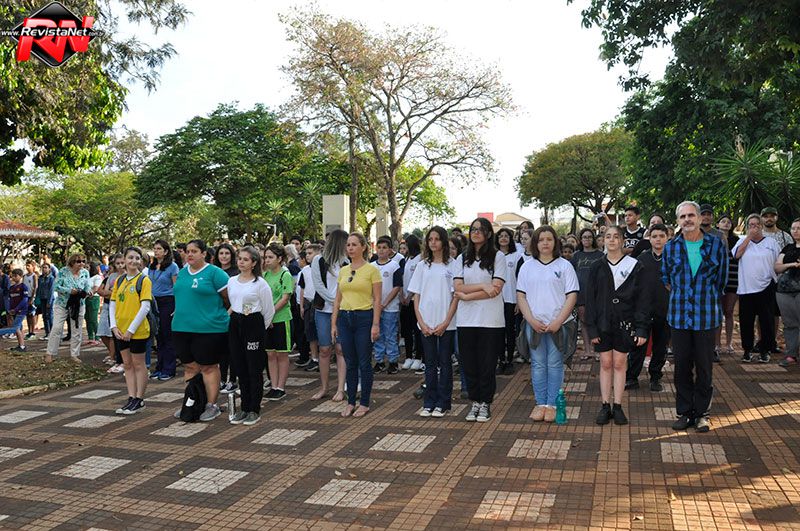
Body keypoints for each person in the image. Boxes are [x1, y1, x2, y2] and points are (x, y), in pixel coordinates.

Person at [663, 201, 728, 433]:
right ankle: (684, 412)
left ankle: (702, 414)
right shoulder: (670, 247)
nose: (687, 220)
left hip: (706, 316)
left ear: (700, 218)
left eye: (691, 215)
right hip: (679, 317)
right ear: (678, 221)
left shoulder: (716, 245)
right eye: (683, 217)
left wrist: (703, 297)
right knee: (681, 367)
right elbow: (666, 279)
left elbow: (721, 280)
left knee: (704, 367)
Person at [586, 225, 648, 425]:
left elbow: (642, 300)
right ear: (603, 240)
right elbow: (590, 299)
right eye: (608, 236)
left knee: (620, 363)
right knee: (605, 363)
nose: (612, 240)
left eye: (616, 237)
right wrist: (592, 328)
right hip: (603, 323)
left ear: (622, 241)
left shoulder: (635, 265)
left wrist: (641, 328)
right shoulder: (596, 266)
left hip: (625, 323)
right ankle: (605, 405)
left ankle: (618, 405)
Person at [517, 226, 578, 423]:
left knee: (554, 363)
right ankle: (540, 403)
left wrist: (558, 321)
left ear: (555, 242)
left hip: (558, 325)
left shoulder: (565, 266)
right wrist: (531, 320)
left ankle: (552, 404)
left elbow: (572, 295)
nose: (545, 243)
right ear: (535, 243)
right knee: (537, 364)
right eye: (541, 239)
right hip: (534, 325)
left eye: (549, 239)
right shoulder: (527, 267)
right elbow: (521, 296)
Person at [454, 217, 507, 423]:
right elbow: (458, 287)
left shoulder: (498, 257)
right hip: (466, 319)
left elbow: (496, 289)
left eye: (480, 229)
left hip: (490, 319)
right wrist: (483, 286)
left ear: (488, 233)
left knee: (487, 363)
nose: (475, 232)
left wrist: (468, 297)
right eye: (473, 229)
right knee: (469, 362)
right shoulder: (462, 258)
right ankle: (474, 401)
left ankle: (485, 402)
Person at [171, 239, 230, 422]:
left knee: (208, 366)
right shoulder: (182, 273)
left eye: (194, 251)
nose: (189, 254)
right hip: (182, 327)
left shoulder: (215, 273)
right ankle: (192, 402)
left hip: (209, 329)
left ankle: (211, 405)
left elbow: (229, 298)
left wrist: (218, 315)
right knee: (190, 366)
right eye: (188, 251)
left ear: (204, 254)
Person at [408, 226, 459, 417]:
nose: (433, 243)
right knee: (429, 364)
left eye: (437, 239)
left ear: (444, 241)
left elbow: (456, 297)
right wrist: (421, 322)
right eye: (430, 239)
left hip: (447, 323)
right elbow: (416, 296)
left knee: (445, 363)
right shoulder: (423, 265)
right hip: (426, 323)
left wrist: (446, 322)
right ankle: (429, 401)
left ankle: (443, 403)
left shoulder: (453, 265)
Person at [332, 232, 382, 417]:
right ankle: (351, 401)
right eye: (348, 245)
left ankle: (365, 402)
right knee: (350, 361)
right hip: (345, 318)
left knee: (364, 362)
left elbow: (377, 299)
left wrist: (375, 324)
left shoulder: (371, 270)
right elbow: (337, 300)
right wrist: (333, 323)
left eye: (354, 244)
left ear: (363, 247)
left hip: (364, 317)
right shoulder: (343, 271)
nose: (350, 248)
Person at [227, 246, 275, 425]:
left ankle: (254, 408)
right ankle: (244, 407)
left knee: (253, 367)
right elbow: (233, 302)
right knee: (240, 366)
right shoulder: (232, 281)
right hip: (236, 322)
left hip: (253, 323)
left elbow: (268, 310)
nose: (241, 262)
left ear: (254, 263)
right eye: (240, 258)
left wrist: (258, 329)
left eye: (246, 259)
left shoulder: (260, 284)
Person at [625, 223, 671, 391]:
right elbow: (632, 284)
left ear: (667, 238)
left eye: (661, 236)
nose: (658, 239)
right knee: (638, 344)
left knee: (660, 346)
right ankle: (631, 377)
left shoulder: (673, 258)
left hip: (665, 308)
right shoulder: (642, 259)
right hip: (643, 310)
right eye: (654, 236)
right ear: (649, 239)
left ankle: (655, 377)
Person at [733, 214, 781, 363]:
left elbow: (778, 262)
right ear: (747, 227)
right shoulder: (742, 240)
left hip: (767, 287)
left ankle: (765, 350)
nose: (754, 227)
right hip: (746, 288)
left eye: (757, 224)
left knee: (766, 320)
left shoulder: (771, 242)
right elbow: (736, 255)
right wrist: (748, 238)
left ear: (761, 226)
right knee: (746, 321)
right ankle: (747, 350)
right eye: (751, 225)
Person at [110, 247, 153, 415]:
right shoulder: (120, 280)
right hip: (120, 330)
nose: (133, 261)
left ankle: (139, 399)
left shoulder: (144, 280)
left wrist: (131, 329)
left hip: (137, 331)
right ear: (124, 260)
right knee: (127, 364)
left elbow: (145, 307)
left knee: (138, 364)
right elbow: (113, 303)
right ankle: (131, 396)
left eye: (137, 258)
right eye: (130, 257)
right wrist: (114, 326)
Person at [311, 230, 349, 400]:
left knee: (341, 349)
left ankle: (340, 388)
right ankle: (324, 387)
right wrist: (334, 301)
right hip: (323, 310)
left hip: (343, 310)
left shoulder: (346, 261)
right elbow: (318, 285)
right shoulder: (318, 260)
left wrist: (339, 304)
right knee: (324, 349)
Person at [45, 254, 93, 363]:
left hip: (78, 304)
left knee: (77, 329)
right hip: (62, 303)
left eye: (83, 261)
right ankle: (50, 353)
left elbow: (87, 286)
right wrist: (69, 290)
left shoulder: (85, 273)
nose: (81, 263)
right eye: (78, 261)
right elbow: (56, 286)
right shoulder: (63, 271)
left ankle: (74, 354)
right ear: (72, 262)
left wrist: (89, 292)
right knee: (57, 327)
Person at [263, 242, 294, 401]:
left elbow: (285, 297)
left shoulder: (285, 275)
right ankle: (273, 385)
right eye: (266, 257)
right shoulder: (265, 276)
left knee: (282, 354)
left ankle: (281, 387)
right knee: (270, 354)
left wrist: (270, 312)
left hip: (282, 319)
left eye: (270, 257)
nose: (267, 260)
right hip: (268, 321)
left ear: (279, 258)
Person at [148, 240, 180, 381]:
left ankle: (169, 368)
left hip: (168, 301)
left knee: (167, 335)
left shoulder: (173, 267)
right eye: (155, 248)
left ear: (166, 251)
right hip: (154, 301)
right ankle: (159, 367)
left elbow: (176, 287)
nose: (156, 251)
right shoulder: (152, 266)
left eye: (159, 249)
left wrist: (177, 306)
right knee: (158, 335)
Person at [571, 228, 604, 361]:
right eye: (584, 237)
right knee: (584, 321)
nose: (587, 239)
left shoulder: (600, 255)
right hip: (581, 293)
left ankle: (597, 350)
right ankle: (587, 350)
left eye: (589, 237)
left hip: (597, 294)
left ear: (593, 239)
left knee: (597, 322)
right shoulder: (576, 256)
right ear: (580, 239)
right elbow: (571, 274)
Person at [371, 236, 402, 374]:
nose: (381, 250)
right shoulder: (371, 266)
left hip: (390, 307)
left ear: (390, 250)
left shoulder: (394, 266)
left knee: (390, 334)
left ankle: (393, 360)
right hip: (374, 307)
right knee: (377, 334)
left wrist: (384, 303)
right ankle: (379, 360)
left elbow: (397, 286)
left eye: (384, 248)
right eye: (379, 248)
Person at [775, 218, 800, 367]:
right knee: (790, 324)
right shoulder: (787, 248)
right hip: (784, 291)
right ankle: (791, 354)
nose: (795, 231)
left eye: (799, 228)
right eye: (793, 228)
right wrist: (791, 264)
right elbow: (777, 267)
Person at [495, 228, 520, 375]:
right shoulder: (493, 256)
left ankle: (509, 360)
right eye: (501, 236)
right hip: (495, 299)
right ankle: (500, 360)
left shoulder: (517, 257)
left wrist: (519, 301)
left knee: (510, 331)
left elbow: (520, 280)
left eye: (506, 236)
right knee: (498, 332)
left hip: (511, 299)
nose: (503, 238)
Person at [716, 214, 739, 356]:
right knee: (718, 313)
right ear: (717, 224)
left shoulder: (737, 241)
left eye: (728, 222)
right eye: (723, 221)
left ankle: (729, 343)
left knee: (729, 311)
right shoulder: (714, 239)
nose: (726, 224)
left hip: (733, 279)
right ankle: (717, 344)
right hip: (718, 280)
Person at [400, 235, 423, 371]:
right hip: (405, 299)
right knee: (407, 329)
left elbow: (417, 280)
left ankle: (418, 357)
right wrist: (402, 295)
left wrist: (410, 295)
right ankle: (408, 356)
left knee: (417, 329)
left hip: (414, 299)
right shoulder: (407, 259)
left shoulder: (420, 259)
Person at [98, 254, 125, 373]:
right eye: (117, 263)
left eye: (122, 263)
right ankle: (118, 360)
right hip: (111, 306)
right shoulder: (112, 276)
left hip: (123, 308)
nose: (120, 265)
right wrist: (113, 292)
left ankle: (124, 361)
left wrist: (113, 292)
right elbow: (105, 291)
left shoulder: (127, 276)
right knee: (114, 334)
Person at [298, 244, 322, 372]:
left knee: (321, 332)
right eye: (306, 253)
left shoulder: (324, 268)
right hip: (308, 302)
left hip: (320, 302)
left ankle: (324, 357)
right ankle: (314, 358)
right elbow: (303, 288)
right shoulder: (305, 270)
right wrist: (302, 306)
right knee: (310, 332)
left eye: (310, 253)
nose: (307, 256)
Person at [0, 269, 30, 351]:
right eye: (12, 276)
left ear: (21, 276)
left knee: (15, 328)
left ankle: (22, 346)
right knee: (18, 328)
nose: (13, 278)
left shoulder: (23, 287)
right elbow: (10, 300)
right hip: (14, 311)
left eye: (15, 276)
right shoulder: (11, 288)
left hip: (21, 311)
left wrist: (16, 309)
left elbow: (25, 300)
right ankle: (21, 345)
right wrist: (10, 309)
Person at [85, 262, 103, 346]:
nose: (85, 269)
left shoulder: (97, 277)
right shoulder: (86, 277)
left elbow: (96, 288)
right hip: (86, 299)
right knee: (87, 318)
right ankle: (90, 337)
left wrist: (90, 293)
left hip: (94, 298)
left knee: (93, 318)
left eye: (87, 267)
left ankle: (98, 336)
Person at [37, 263, 54, 340]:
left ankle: (52, 333)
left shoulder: (51, 278)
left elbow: (51, 290)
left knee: (49, 316)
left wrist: (49, 302)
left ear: (49, 269)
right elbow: (38, 289)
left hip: (48, 299)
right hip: (42, 299)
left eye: (46, 267)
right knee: (44, 316)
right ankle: (47, 333)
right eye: (43, 267)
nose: (44, 269)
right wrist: (37, 298)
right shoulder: (40, 278)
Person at [22, 260, 38, 340]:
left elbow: (35, 287)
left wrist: (32, 298)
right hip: (25, 297)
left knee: (32, 314)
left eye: (29, 266)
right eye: (26, 265)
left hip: (32, 297)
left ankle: (33, 332)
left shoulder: (34, 276)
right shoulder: (24, 276)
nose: (27, 267)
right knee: (27, 315)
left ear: (33, 267)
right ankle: (29, 331)